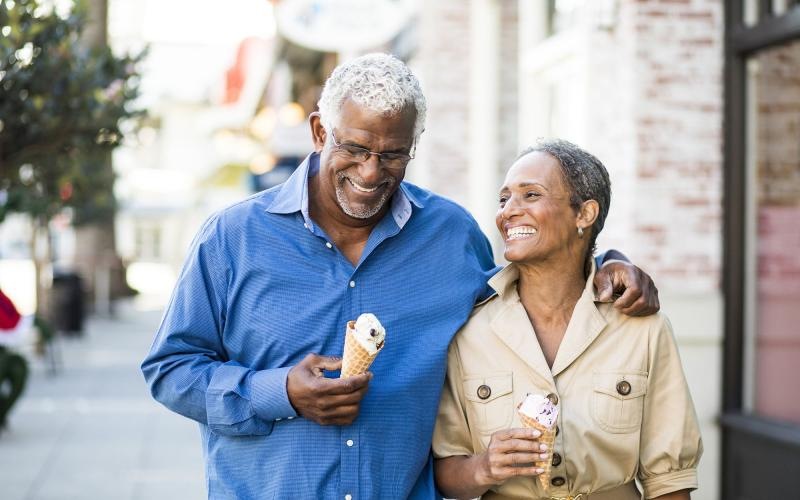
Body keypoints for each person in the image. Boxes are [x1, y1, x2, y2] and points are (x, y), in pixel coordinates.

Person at [141, 54, 659, 499]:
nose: (371, 173)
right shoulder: (234, 237)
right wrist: (278, 392)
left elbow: (530, 287)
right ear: (320, 132)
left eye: (392, 154)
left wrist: (606, 259)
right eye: (355, 149)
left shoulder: (450, 235)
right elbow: (170, 369)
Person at [432, 140, 702, 500]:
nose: (508, 211)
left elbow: (670, 482)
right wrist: (484, 467)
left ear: (584, 214)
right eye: (504, 199)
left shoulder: (643, 329)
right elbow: (446, 470)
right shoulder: (470, 332)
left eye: (530, 195)